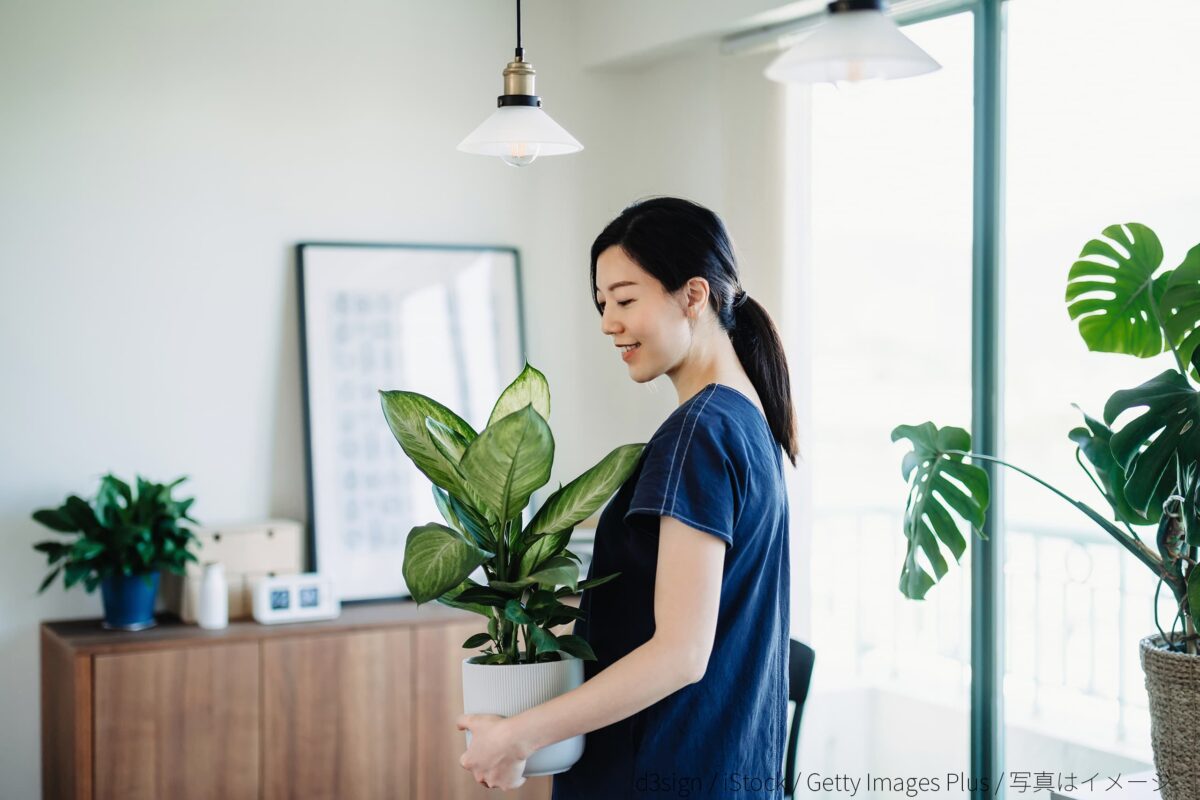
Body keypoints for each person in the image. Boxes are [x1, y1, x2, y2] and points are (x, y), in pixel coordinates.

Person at [456, 196, 797, 798]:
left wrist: (519, 735)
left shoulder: (700, 433)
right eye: (602, 304)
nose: (608, 321)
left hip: (660, 771)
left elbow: (679, 654)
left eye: (625, 298)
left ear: (694, 295)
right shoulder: (747, 422)